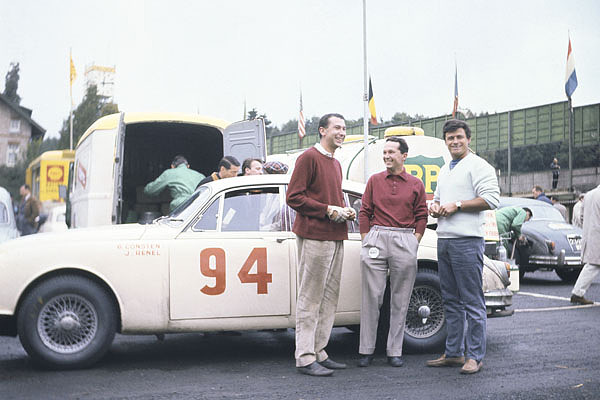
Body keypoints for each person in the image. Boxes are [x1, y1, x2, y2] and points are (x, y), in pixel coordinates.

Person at [428, 119, 500, 375]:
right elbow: (437, 199)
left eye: (459, 137)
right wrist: (435, 207)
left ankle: (475, 356)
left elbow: (491, 199)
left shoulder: (480, 166)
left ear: (468, 139)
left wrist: (457, 205)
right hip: (445, 239)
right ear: (445, 141)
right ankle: (454, 353)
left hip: (467, 242)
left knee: (472, 301)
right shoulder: (446, 167)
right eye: (450, 138)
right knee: (450, 300)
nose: (455, 142)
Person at [286, 113, 355, 377]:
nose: (342, 132)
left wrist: (343, 210)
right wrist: (328, 210)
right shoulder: (308, 158)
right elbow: (294, 197)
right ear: (322, 130)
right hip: (315, 235)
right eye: (337, 127)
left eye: (344, 128)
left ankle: (319, 351)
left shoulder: (335, 163)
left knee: (328, 297)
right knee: (310, 297)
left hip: (335, 234)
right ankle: (304, 357)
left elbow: (331, 198)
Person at [357, 136, 427, 368]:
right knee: (372, 297)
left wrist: (413, 241)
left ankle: (394, 351)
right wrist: (367, 239)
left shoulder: (415, 183)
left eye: (391, 152)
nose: (386, 156)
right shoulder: (375, 181)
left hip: (404, 238)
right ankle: (366, 350)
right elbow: (365, 211)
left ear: (403, 156)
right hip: (377, 237)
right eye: (384, 152)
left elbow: (421, 215)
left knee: (401, 299)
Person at [570, 184, 600, 305]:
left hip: (590, 234)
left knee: (592, 264)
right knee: (592, 265)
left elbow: (581, 217)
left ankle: (577, 293)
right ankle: (577, 293)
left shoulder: (588, 195)